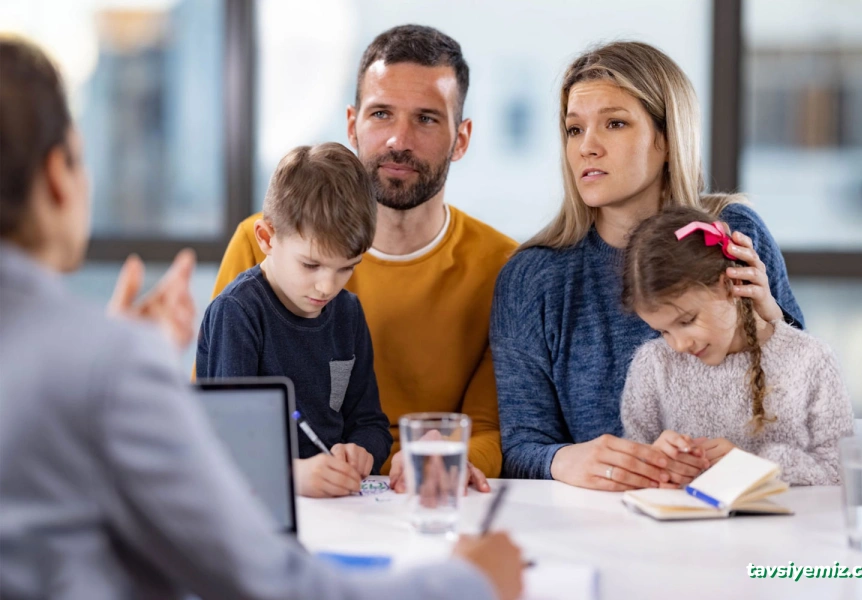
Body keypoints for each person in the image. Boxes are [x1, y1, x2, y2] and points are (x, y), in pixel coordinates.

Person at [0, 34, 523, 600]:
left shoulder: (480, 272)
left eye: (425, 118)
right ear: (59, 177)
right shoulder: (121, 354)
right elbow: (266, 578)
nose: (400, 138)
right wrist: (470, 583)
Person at [490, 41, 806, 490]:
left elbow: (804, 415)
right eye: (574, 130)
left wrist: (771, 318)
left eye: (614, 124)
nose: (587, 147)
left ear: (666, 139)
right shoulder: (533, 277)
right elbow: (522, 445)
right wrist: (566, 459)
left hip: (735, 515)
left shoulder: (733, 235)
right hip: (597, 526)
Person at [211, 25, 516, 489]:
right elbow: (212, 421)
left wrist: (438, 461)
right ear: (352, 125)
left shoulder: (504, 268)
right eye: (381, 114)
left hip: (420, 495)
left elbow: (491, 428)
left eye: (427, 119)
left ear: (462, 138)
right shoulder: (259, 245)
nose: (399, 139)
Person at [197, 143, 393, 497]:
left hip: (341, 508)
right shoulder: (238, 313)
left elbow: (370, 423)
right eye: (311, 264)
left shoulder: (348, 314)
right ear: (267, 238)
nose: (327, 286)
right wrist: (291, 477)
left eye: (346, 268)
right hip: (260, 510)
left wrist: (362, 451)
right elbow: (226, 443)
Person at [619, 207, 853, 486]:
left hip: (785, 529)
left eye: (687, 320)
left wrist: (756, 467)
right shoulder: (654, 364)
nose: (679, 344)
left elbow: (840, 471)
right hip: (683, 529)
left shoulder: (810, 360)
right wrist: (656, 463)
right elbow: (635, 467)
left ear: (729, 284)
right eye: (663, 330)